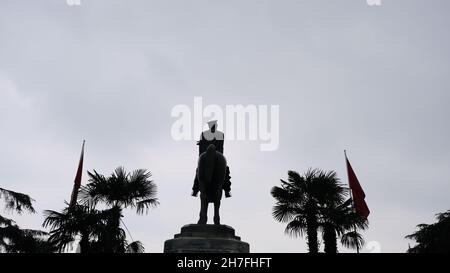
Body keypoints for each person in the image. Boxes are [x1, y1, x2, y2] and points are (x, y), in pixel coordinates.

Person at [192, 120, 231, 198]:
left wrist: (201, 158)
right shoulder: (220, 134)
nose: (214, 126)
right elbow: (221, 148)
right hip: (217, 155)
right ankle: (227, 190)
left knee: (198, 170)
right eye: (214, 125)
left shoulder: (204, 134)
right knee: (226, 170)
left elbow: (201, 150)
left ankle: (195, 189)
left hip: (206, 155)